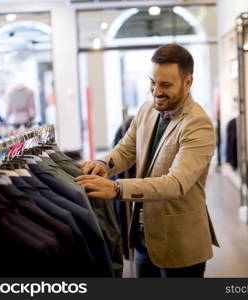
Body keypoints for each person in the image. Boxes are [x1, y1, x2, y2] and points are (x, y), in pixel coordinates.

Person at [74, 44, 219, 278]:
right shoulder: (147, 110)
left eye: (165, 85)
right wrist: (103, 164)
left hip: (180, 243)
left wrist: (116, 188)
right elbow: (125, 150)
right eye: (153, 81)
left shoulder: (198, 124)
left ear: (188, 82)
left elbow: (176, 183)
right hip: (143, 237)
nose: (156, 91)